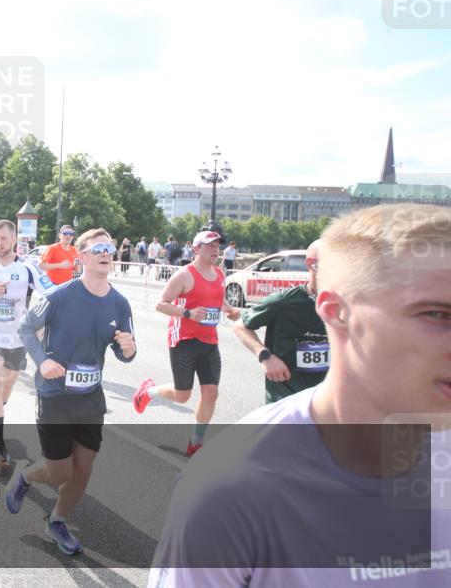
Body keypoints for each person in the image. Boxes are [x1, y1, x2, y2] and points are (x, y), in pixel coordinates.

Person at [148, 204, 451, 586]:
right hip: (194, 348)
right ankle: (161, 403)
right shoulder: (227, 489)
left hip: (215, 348)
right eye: (436, 315)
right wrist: (262, 353)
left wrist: (220, 309)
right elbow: (227, 319)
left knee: (209, 392)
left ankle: (194, 437)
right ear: (337, 313)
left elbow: (228, 311)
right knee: (183, 393)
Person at [8, 228, 137, 555]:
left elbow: (124, 353)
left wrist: (129, 348)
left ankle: (57, 521)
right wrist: (41, 362)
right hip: (54, 395)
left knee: (83, 470)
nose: (105, 253)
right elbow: (25, 328)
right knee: (59, 471)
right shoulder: (59, 296)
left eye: (109, 248)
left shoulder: (120, 304)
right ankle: (25, 477)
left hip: (91, 399)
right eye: (98, 249)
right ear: (81, 258)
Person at [133, 230, 242, 456]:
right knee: (183, 396)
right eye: (210, 245)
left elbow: (218, 300)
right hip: (183, 340)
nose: (215, 249)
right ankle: (148, 391)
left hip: (209, 341)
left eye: (217, 245)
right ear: (196, 249)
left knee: (211, 392)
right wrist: (187, 313)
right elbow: (161, 304)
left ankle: (196, 442)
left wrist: (229, 310)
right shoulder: (184, 275)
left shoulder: (220, 273)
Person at [0, 220, 54, 471]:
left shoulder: (28, 268)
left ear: (14, 240)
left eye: (3, 238)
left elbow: (53, 293)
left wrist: (39, 319)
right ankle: (1, 452)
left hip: (18, 340)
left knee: (4, 392)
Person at [232, 240, 329, 403]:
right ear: (312, 264)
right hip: (286, 396)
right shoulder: (284, 301)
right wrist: (265, 356)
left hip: (325, 398)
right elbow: (240, 325)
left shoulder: (345, 304)